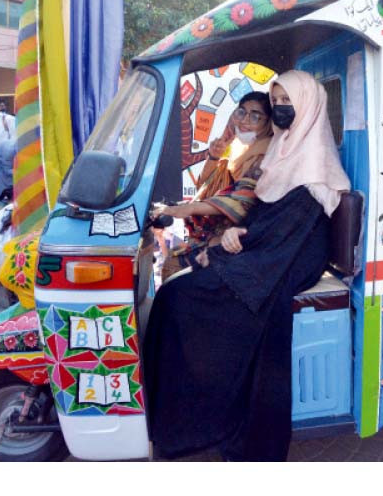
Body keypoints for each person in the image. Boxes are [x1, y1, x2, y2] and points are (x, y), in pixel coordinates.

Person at [143, 70, 351, 461]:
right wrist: (232, 235)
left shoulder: (315, 164)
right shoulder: (282, 149)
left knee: (180, 300)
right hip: (270, 249)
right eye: (277, 103)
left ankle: (197, 424)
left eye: (288, 102)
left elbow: (290, 229)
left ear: (308, 107)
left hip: (288, 259)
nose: (280, 110)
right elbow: (263, 216)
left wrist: (225, 248)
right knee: (176, 293)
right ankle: (179, 421)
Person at [155, 91, 274, 280]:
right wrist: (213, 157)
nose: (244, 121)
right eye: (241, 112)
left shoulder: (265, 154)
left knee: (174, 264)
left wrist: (185, 209)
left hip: (247, 237)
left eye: (255, 116)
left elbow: (241, 202)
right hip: (224, 232)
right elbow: (208, 187)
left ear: (268, 123)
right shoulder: (239, 149)